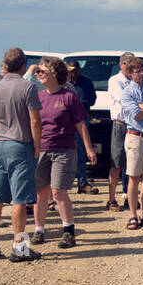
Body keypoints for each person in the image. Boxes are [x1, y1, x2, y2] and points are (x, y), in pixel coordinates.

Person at [0, 48, 43, 262]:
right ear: (23, 65)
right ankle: (20, 246)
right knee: (20, 198)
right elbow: (35, 120)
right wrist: (37, 144)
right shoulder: (28, 87)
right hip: (20, 143)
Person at [33, 57, 96, 248]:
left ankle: (68, 231)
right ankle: (39, 230)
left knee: (58, 191)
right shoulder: (38, 97)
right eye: (38, 72)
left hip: (64, 150)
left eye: (42, 71)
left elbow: (81, 125)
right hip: (42, 149)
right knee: (40, 192)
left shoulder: (68, 97)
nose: (39, 75)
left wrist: (88, 148)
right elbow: (33, 125)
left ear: (54, 73)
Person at [118, 57, 143, 230]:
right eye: (137, 71)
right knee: (133, 177)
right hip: (135, 137)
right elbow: (136, 115)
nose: (141, 74)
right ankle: (133, 215)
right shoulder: (127, 92)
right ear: (130, 73)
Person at [105, 51, 137, 211]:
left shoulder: (134, 81)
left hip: (134, 124)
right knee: (116, 162)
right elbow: (125, 99)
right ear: (121, 64)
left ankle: (130, 197)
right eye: (128, 64)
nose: (131, 67)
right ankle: (111, 199)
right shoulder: (115, 80)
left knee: (133, 163)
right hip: (120, 123)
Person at [66, 60, 98, 194]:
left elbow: (93, 99)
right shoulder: (63, 84)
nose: (72, 73)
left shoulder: (87, 82)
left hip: (81, 119)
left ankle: (82, 183)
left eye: (74, 70)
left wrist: (80, 103)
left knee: (81, 151)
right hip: (66, 120)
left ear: (78, 70)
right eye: (69, 71)